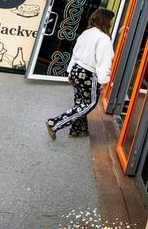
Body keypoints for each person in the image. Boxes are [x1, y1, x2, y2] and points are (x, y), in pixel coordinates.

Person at [45, 8, 115, 139]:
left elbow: (75, 52)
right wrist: (104, 81)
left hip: (77, 69)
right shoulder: (104, 38)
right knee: (89, 104)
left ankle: (77, 130)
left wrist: (70, 71)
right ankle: (54, 123)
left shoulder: (87, 33)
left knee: (80, 102)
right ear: (106, 20)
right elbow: (103, 62)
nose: (112, 22)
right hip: (89, 73)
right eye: (111, 19)